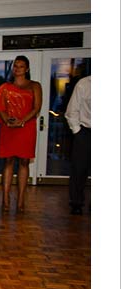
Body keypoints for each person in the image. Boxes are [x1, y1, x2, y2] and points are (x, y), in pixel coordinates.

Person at [0, 55, 42, 212]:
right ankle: (5, 199)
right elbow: (0, 108)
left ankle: (21, 199)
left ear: (27, 69)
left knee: (24, 162)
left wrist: (22, 121)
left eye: (21, 66)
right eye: (15, 65)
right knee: (8, 161)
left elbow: (37, 108)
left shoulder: (35, 85)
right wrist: (8, 121)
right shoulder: (4, 87)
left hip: (26, 126)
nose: (17, 69)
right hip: (9, 126)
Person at [65, 75, 91, 215]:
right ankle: (76, 203)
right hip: (86, 131)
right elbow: (72, 110)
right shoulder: (84, 84)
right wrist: (78, 131)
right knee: (79, 169)